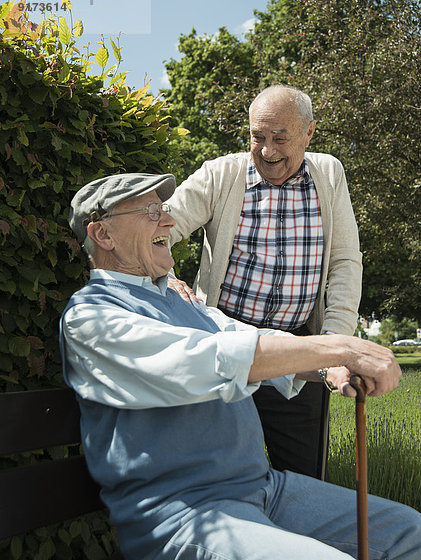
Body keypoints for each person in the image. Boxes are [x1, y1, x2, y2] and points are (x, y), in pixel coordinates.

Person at [60, 172, 421, 560]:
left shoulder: (183, 304)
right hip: (186, 513)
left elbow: (259, 342)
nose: (168, 221)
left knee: (411, 532)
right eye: (151, 211)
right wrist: (340, 347)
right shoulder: (91, 317)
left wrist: (329, 368)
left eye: (164, 209)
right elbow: (214, 359)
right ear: (103, 235)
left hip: (263, 489)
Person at [168, 84, 362, 479]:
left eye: (280, 138)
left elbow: (344, 261)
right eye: (258, 137)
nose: (268, 151)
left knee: (307, 479)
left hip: (300, 354)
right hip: (227, 348)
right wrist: (165, 276)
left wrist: (334, 346)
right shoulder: (220, 174)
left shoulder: (329, 174)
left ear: (308, 133)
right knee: (218, 478)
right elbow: (156, 229)